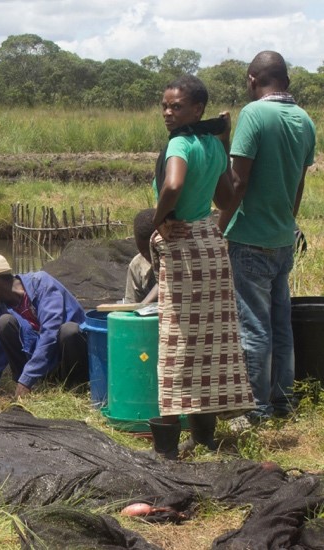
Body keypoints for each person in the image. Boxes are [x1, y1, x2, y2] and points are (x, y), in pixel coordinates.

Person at [148, 75, 254, 459]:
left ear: (197, 109)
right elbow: (227, 197)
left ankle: (172, 441)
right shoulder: (211, 143)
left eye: (176, 106)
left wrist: (159, 219)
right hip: (211, 247)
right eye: (164, 105)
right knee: (211, 345)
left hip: (183, 249)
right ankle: (205, 437)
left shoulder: (180, 143)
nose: (168, 112)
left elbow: (173, 186)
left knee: (178, 346)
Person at [219, 51, 317, 425]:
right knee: (280, 323)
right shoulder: (305, 120)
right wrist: (286, 222)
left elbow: (238, 181)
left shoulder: (255, 114)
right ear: (286, 81)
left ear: (251, 79)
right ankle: (283, 403)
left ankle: (256, 410)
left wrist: (220, 225)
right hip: (281, 237)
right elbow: (299, 182)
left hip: (249, 238)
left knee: (254, 327)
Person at [0, 252, 88, 410]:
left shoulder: (41, 284)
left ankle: (76, 391)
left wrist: (27, 377)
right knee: (4, 324)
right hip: (43, 369)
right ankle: (32, 388)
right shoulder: (4, 310)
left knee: (69, 330)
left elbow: (50, 334)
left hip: (70, 360)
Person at [123, 208, 158, 304]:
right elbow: (131, 305)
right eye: (144, 253)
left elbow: (165, 281)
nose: (149, 256)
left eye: (154, 250)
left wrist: (144, 304)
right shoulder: (137, 265)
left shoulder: (178, 259)